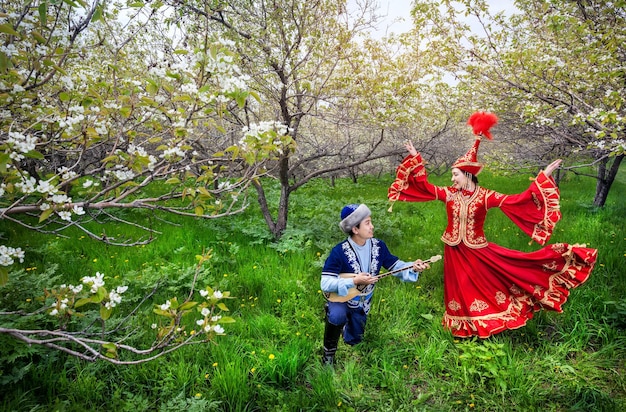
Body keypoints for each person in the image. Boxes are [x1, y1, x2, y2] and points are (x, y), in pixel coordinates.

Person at [388, 111, 597, 338]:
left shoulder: (486, 196)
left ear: (468, 174)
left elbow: (517, 200)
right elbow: (425, 187)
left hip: (477, 250)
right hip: (454, 248)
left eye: (455, 174)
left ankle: (485, 320)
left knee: (487, 281)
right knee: (457, 286)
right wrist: (416, 157)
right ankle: (461, 324)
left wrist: (543, 177)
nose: (452, 179)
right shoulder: (449, 194)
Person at [320, 203, 429, 366]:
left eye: (371, 222)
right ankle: (328, 354)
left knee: (354, 340)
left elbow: (395, 266)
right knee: (337, 316)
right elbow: (326, 282)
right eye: (367, 223)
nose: (372, 226)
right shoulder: (339, 252)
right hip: (341, 297)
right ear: (355, 229)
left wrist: (413, 266)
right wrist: (354, 281)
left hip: (363, 301)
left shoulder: (378, 246)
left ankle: (347, 328)